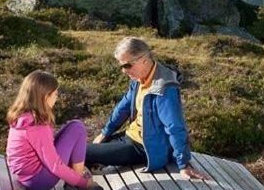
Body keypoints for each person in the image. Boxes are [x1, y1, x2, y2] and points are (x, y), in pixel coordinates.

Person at [87, 37, 206, 181]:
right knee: (84, 151)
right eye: (121, 66)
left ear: (143, 59)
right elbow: (123, 108)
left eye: (127, 65)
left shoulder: (163, 87)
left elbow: (174, 126)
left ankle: (85, 187)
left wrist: (183, 164)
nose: (124, 71)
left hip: (145, 147)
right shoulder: (139, 79)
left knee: (82, 152)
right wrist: (104, 133)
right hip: (130, 137)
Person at [6, 70, 103, 190]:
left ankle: (76, 175)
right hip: (39, 180)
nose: (57, 96)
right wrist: (84, 183)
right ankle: (77, 182)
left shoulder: (23, 116)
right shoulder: (37, 125)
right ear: (46, 96)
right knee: (77, 128)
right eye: (55, 93)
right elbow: (55, 166)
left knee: (74, 127)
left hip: (25, 177)